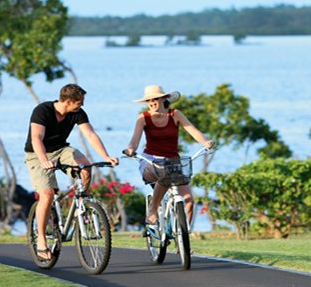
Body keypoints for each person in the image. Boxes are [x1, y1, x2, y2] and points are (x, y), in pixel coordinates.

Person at [24, 84, 118, 261]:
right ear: (67, 101)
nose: (81, 106)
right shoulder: (42, 110)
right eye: (79, 102)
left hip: (62, 150)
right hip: (37, 154)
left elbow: (90, 135)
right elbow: (36, 138)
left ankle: (80, 204)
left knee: (86, 167)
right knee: (47, 194)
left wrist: (106, 155)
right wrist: (44, 160)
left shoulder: (77, 113)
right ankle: (42, 240)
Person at [124, 85, 214, 228]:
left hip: (173, 162)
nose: (152, 102)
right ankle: (153, 211)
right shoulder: (143, 118)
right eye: (149, 100)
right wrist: (130, 149)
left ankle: (184, 239)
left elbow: (193, 130)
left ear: (164, 99)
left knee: (189, 201)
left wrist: (205, 142)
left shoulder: (175, 114)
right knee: (164, 175)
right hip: (151, 161)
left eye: (155, 99)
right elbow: (134, 141)